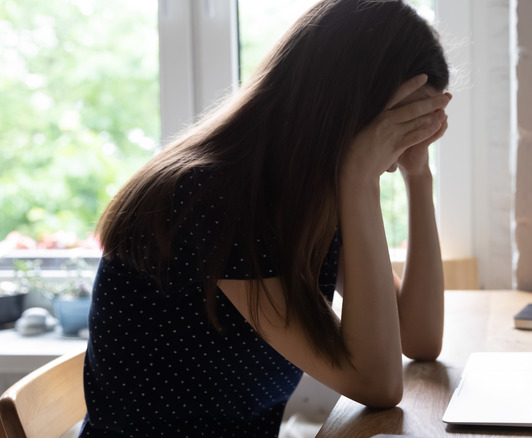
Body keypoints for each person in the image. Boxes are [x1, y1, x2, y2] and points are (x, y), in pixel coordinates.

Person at [79, 0, 451, 436]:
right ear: (346, 106)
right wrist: (359, 178)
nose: (395, 152)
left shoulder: (309, 195)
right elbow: (378, 383)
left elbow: (420, 338)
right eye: (400, 124)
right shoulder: (214, 199)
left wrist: (418, 173)